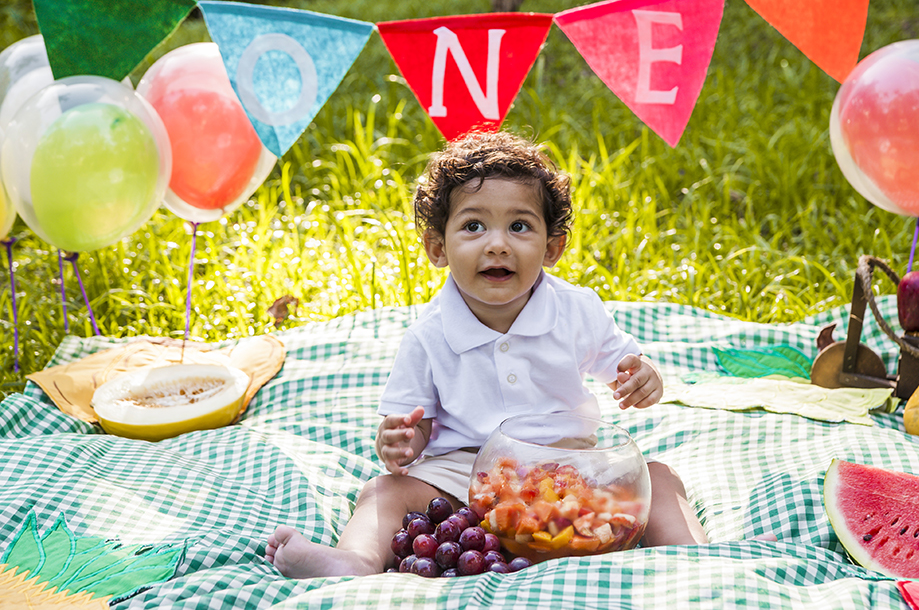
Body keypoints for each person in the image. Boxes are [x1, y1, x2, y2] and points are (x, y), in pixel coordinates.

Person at [266, 131, 707, 578]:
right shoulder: (428, 335)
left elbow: (625, 368)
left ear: (552, 248)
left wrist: (643, 378)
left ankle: (700, 559)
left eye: (519, 226)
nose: (497, 244)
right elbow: (414, 425)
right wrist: (400, 441)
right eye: (474, 226)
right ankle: (355, 560)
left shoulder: (576, 309)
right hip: (467, 475)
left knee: (659, 477)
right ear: (437, 248)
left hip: (571, 470)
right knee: (383, 491)